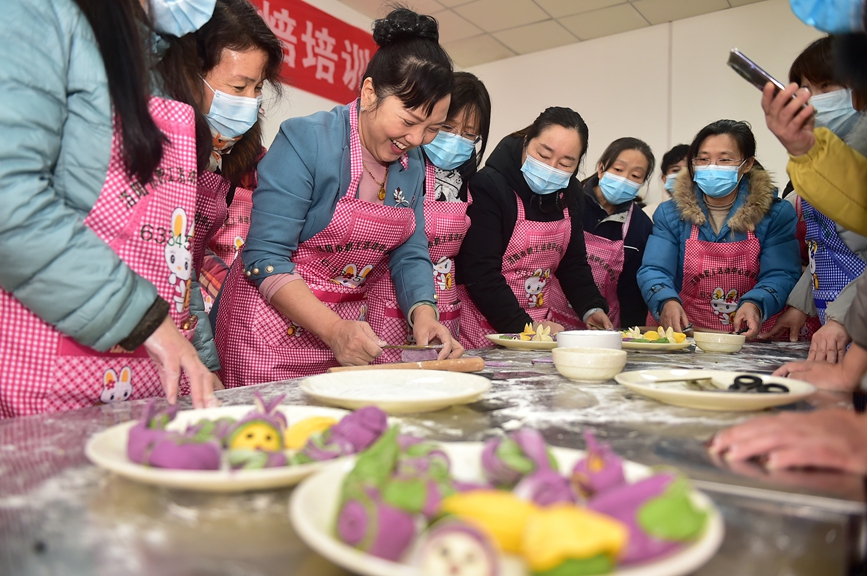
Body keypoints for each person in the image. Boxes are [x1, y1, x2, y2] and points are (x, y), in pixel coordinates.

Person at [213, 7, 462, 385]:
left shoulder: (411, 166)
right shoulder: (306, 141)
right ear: (368, 93)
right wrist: (334, 330)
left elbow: (410, 252)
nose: (415, 140)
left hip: (346, 340)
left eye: (433, 129)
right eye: (409, 122)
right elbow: (265, 256)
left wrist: (424, 314)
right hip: (268, 335)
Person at [0, 0, 218, 417]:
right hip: (46, 373)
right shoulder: (38, 13)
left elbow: (174, 256)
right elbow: (11, 202)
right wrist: (144, 320)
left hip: (145, 379)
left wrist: (197, 359)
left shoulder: (160, 58)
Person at [156, 0, 283, 317]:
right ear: (191, 75)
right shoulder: (158, 145)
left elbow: (189, 271)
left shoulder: (235, 153)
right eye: (239, 87)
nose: (250, 101)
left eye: (257, 88)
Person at [455, 107, 613, 350]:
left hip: (537, 329)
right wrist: (524, 329)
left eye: (565, 163)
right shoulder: (490, 186)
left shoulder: (570, 198)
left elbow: (573, 265)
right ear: (527, 141)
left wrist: (590, 306)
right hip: (483, 332)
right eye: (543, 154)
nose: (551, 167)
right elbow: (480, 273)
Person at [366, 72, 491, 361]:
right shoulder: (399, 168)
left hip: (444, 309)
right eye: (447, 126)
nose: (457, 139)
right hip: (390, 299)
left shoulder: (467, 181)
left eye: (469, 134)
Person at [637, 120, 801, 339]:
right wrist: (666, 300)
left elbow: (780, 273)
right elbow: (655, 269)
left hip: (750, 337)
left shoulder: (775, 214)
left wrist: (756, 304)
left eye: (724, 159)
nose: (712, 167)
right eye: (703, 159)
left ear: (747, 163)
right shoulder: (671, 213)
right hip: (684, 335)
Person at [759, 36, 867, 361]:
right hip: (835, 321)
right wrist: (798, 305)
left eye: (826, 85)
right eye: (805, 88)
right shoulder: (816, 163)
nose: (813, 99)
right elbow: (824, 249)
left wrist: (846, 318)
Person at [579, 138, 655, 329]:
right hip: (554, 323)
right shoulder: (570, 203)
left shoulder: (640, 225)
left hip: (604, 326)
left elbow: (632, 293)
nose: (624, 179)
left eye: (635, 176)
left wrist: (630, 335)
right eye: (618, 170)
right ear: (601, 168)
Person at [643, 144, 688, 220]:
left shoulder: (709, 213)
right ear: (664, 178)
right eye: (676, 170)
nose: (682, 175)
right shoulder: (649, 213)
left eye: (688, 170)